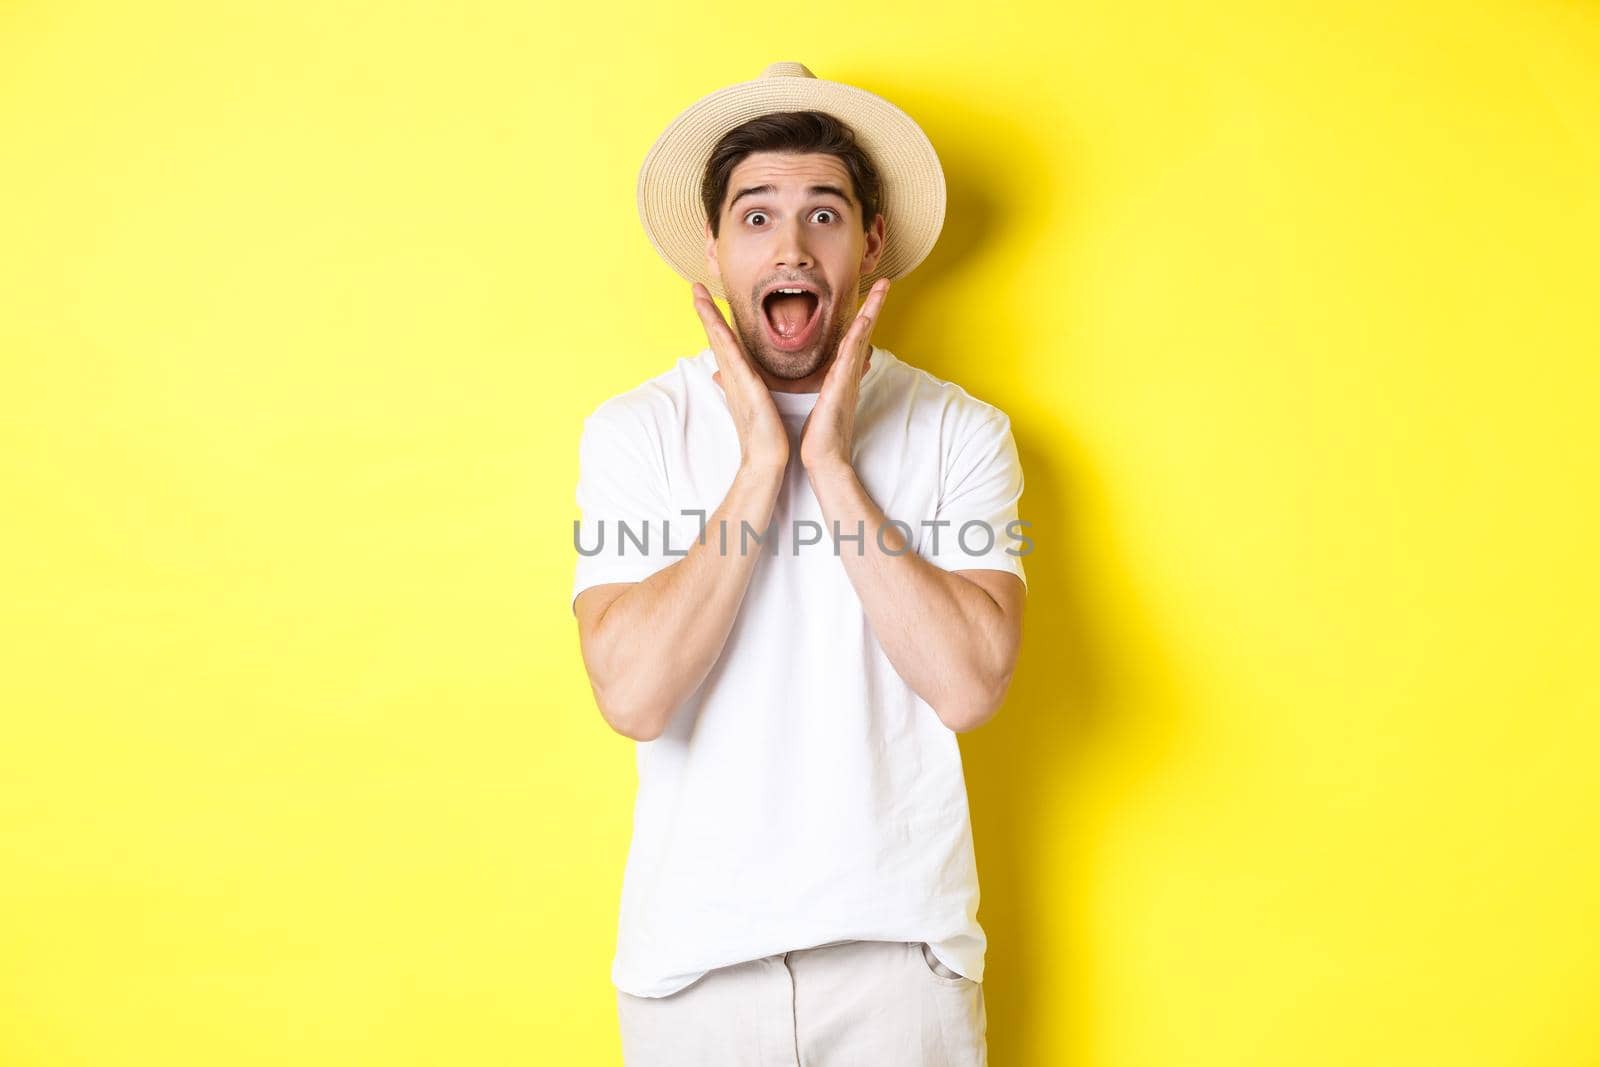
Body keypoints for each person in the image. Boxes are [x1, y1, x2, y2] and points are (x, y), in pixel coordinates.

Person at [571, 61, 1028, 1067]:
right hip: (693, 971)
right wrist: (761, 467)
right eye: (756, 215)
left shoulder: (960, 431)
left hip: (899, 966)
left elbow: (968, 682)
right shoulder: (636, 432)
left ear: (870, 241)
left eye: (824, 215)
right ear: (714, 248)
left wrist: (827, 463)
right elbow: (634, 694)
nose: (789, 244)